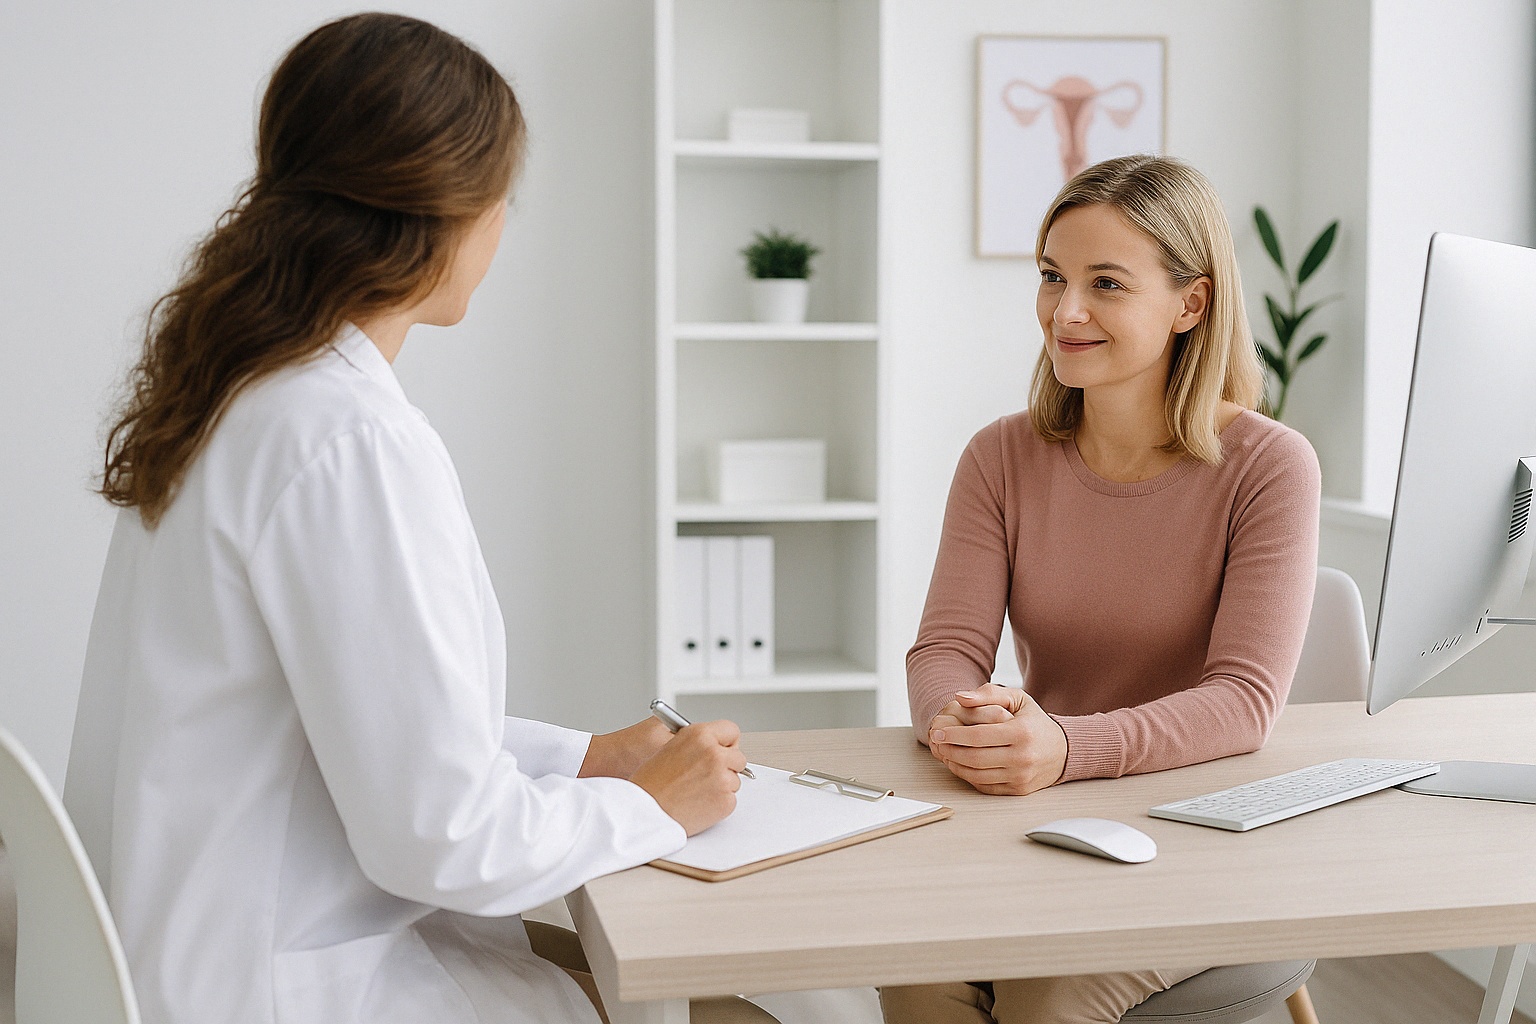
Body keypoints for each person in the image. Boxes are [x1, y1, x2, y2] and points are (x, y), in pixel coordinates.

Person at [64, 14, 776, 1024]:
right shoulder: (348, 441)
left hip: (183, 951)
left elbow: (349, 719)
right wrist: (650, 806)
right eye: (502, 199)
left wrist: (583, 760)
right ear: (444, 210)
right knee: (728, 1013)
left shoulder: (239, 392)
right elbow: (438, 835)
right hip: (266, 988)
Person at [879, 155, 1321, 1024]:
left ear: (1190, 304)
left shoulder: (1270, 466)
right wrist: (957, 719)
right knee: (915, 968)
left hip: (1205, 832)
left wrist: (1066, 748)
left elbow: (1243, 702)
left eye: (1106, 284)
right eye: (1052, 276)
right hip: (1044, 827)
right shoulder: (1000, 456)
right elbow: (947, 649)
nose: (1064, 311)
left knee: (1051, 991)